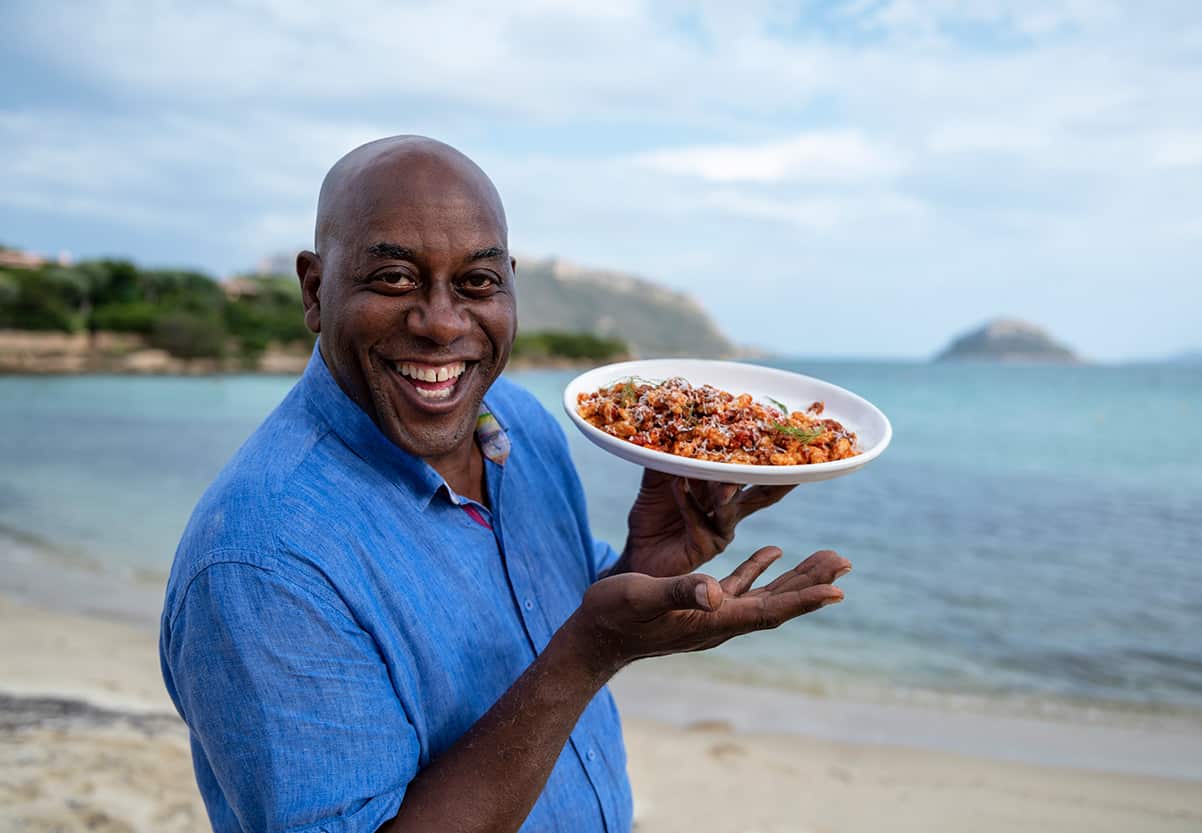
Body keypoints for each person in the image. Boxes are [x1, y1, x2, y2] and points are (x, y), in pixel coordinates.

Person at [159, 135, 851, 833]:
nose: (443, 322)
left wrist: (643, 568)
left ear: (509, 283)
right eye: (394, 279)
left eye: (477, 283)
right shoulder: (259, 561)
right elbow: (571, 653)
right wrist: (590, 653)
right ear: (315, 290)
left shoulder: (523, 425)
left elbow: (553, 628)